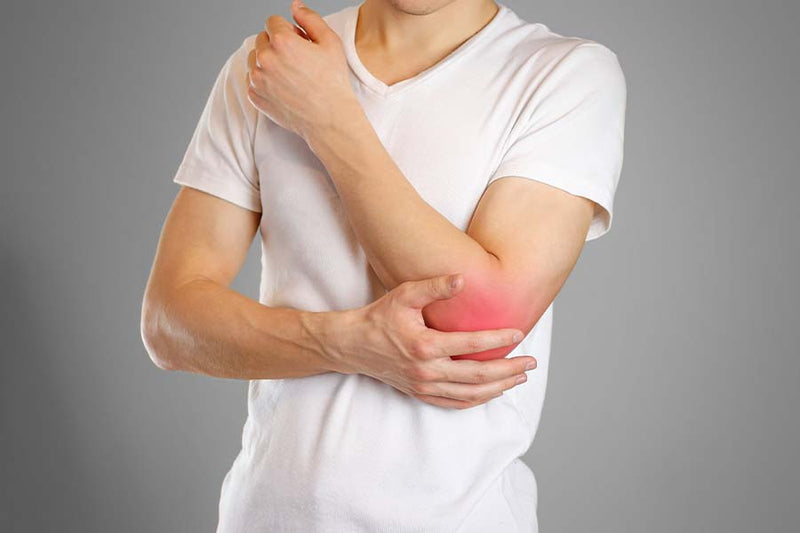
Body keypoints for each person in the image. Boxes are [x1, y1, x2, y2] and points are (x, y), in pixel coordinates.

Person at [140, 0, 627, 530]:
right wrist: (344, 343)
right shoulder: (274, 66)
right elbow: (170, 321)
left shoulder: (562, 73)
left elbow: (484, 322)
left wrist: (330, 120)